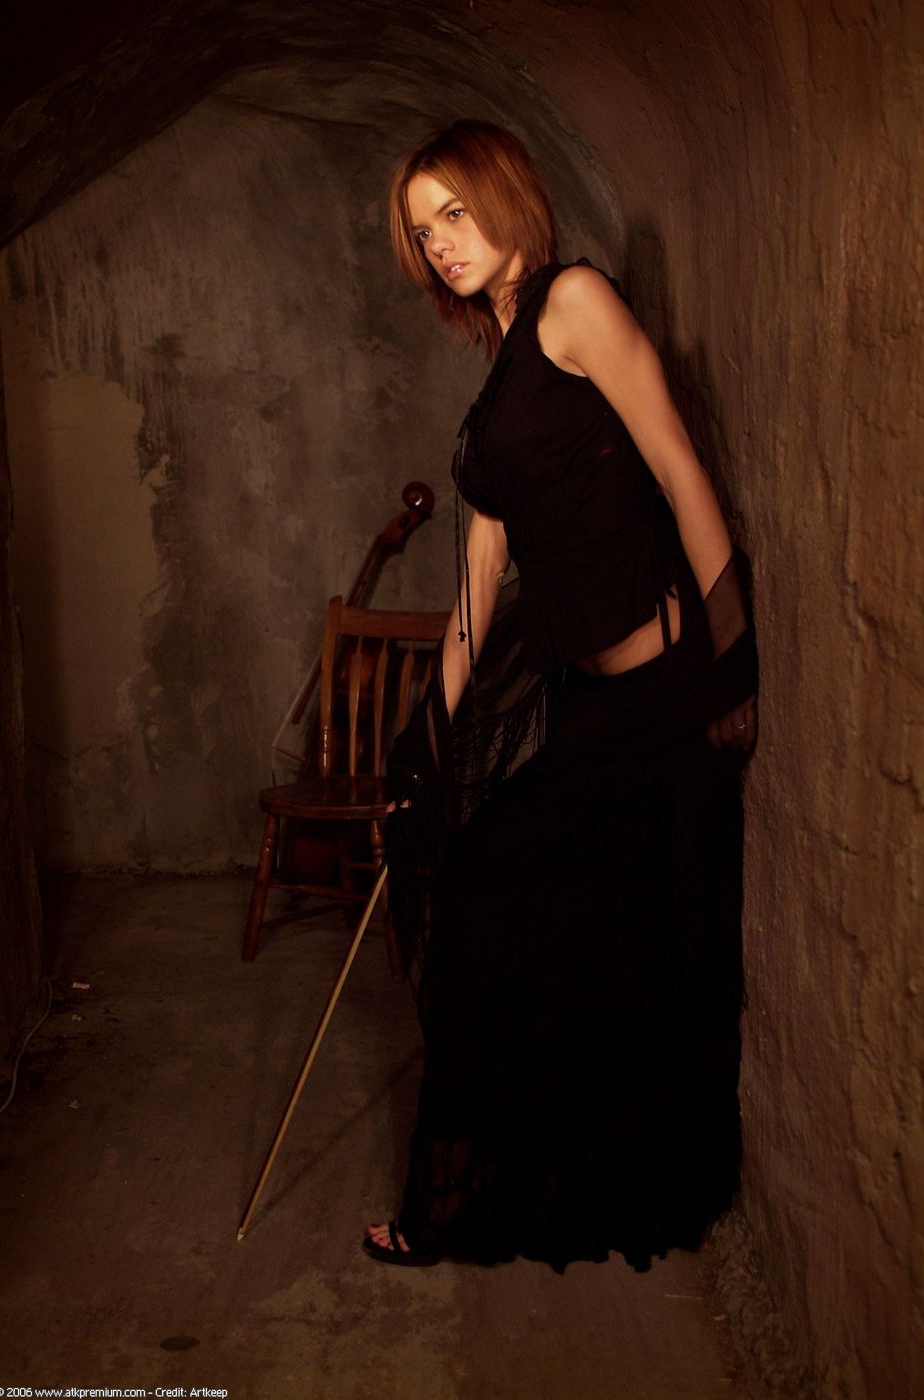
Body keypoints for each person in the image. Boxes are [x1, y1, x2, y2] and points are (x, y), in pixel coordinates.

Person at [363, 119, 757, 1273]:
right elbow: (481, 580)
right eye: (423, 229)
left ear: (506, 197)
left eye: (455, 212)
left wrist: (733, 660)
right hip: (590, 702)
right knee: (529, 915)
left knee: (559, 919)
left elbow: (679, 464)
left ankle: (461, 1203)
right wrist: (427, 728)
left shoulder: (574, 301)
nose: (441, 242)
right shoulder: (499, 367)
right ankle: (507, 1186)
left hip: (663, 691)